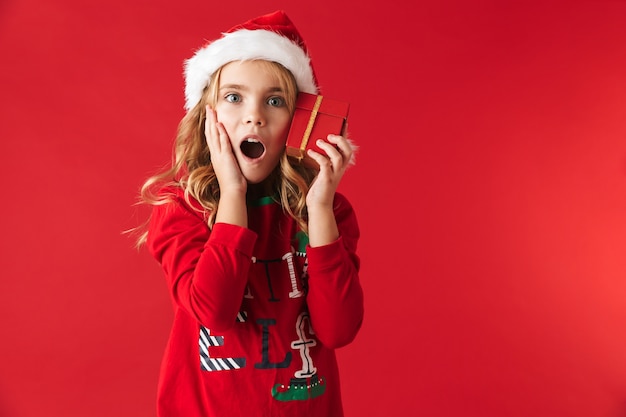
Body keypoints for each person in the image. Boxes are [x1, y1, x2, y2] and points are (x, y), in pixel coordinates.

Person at [137, 10, 364, 417]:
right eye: (234, 97)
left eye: (274, 101)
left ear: (298, 123)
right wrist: (233, 194)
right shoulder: (180, 209)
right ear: (207, 117)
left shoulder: (327, 213)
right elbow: (214, 312)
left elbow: (339, 329)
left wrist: (320, 210)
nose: (254, 115)